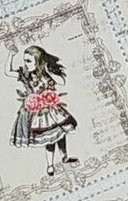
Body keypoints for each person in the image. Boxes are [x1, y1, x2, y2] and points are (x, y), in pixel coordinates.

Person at [9, 42, 77, 176]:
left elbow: (62, 81)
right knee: (50, 139)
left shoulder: (45, 74)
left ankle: (64, 157)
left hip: (52, 109)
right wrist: (11, 55)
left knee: (61, 134)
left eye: (28, 61)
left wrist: (47, 70)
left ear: (37, 61)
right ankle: (50, 166)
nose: (25, 64)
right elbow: (8, 72)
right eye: (24, 61)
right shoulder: (26, 75)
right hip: (40, 113)